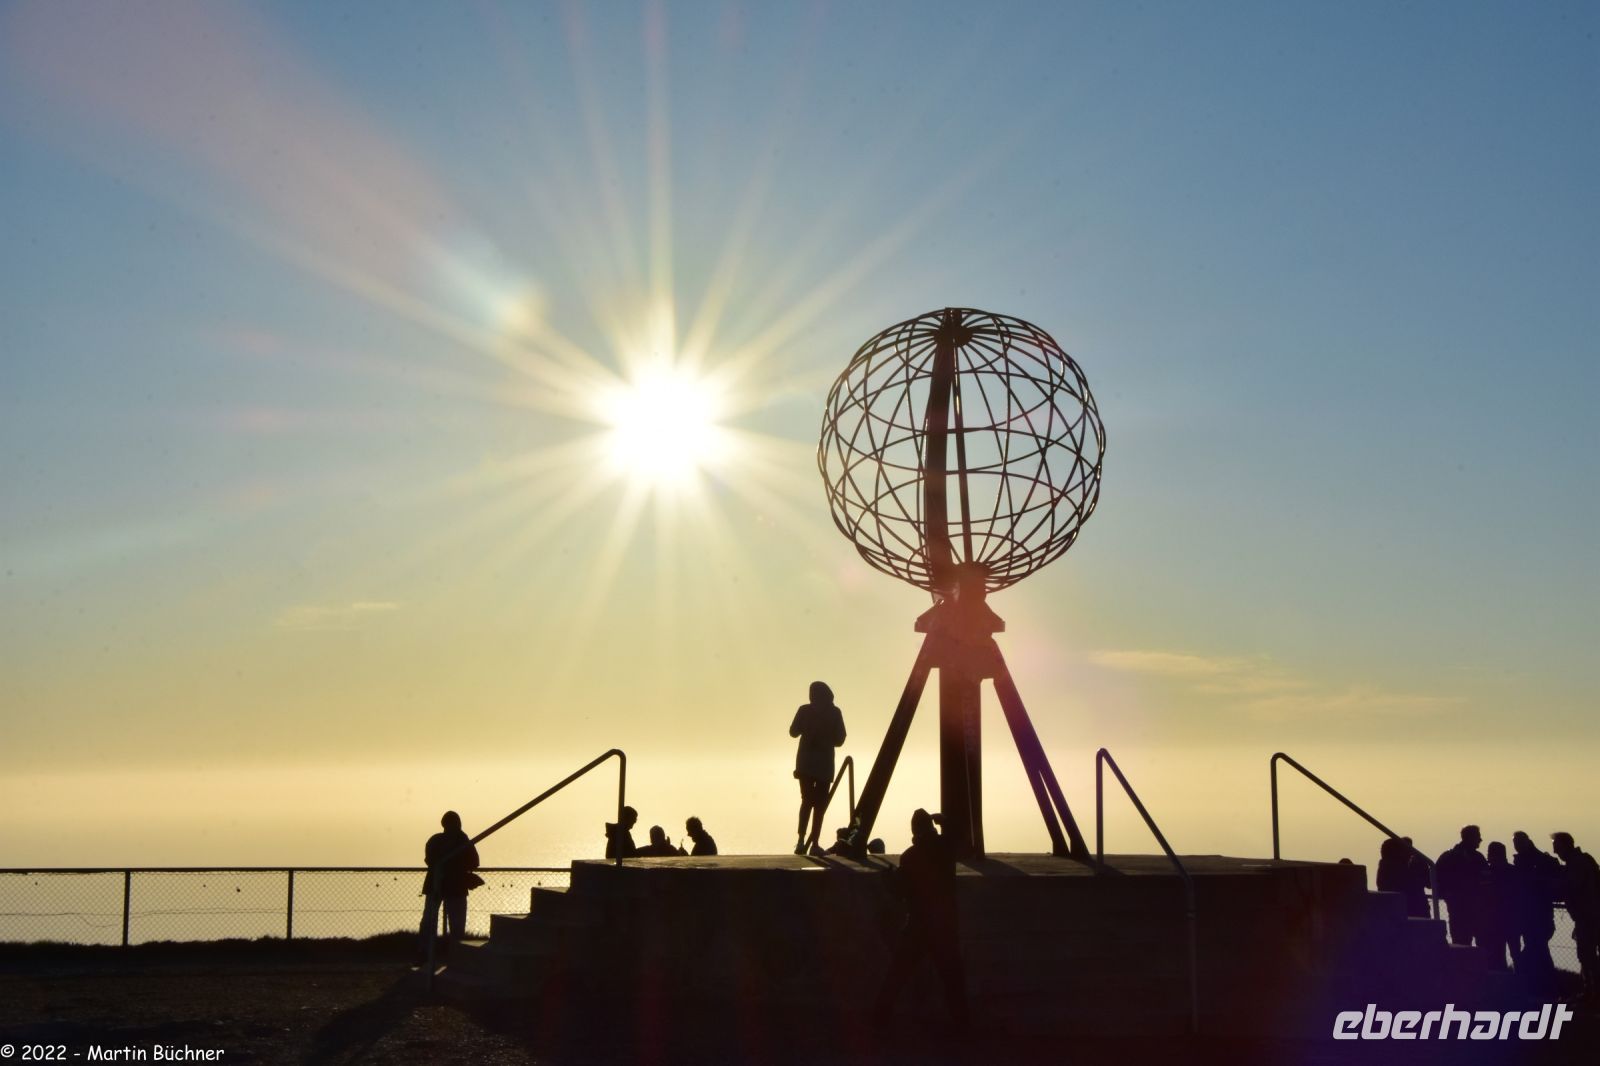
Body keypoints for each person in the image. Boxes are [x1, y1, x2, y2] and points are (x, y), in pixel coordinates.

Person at [873, 809, 967, 1032]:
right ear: (931, 828)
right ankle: (962, 1026)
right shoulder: (946, 847)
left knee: (897, 975)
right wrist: (944, 820)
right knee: (953, 981)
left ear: (915, 831)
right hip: (944, 925)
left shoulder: (910, 856)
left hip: (919, 926)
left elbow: (900, 892)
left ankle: (879, 1021)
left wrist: (888, 879)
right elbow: (959, 832)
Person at [790, 680, 846, 855]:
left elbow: (793, 732)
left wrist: (808, 729)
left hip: (805, 764)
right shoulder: (835, 712)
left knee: (806, 801)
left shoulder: (804, 710)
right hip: (824, 765)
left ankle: (800, 841)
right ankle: (814, 843)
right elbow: (840, 739)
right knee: (819, 806)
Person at [419, 810, 480, 957]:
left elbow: (429, 860)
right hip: (451, 885)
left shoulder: (437, 840)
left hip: (440, 884)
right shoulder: (462, 841)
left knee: (431, 921)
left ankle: (428, 953)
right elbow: (474, 862)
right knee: (453, 923)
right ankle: (454, 954)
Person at [1551, 831, 1600, 997]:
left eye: (1557, 846)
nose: (1555, 851)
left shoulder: (1577, 865)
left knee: (1587, 955)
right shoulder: (1581, 861)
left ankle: (1591, 991)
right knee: (1588, 954)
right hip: (1589, 916)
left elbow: (1571, 889)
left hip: (1588, 917)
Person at [1511, 831, 1560, 990]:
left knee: (1536, 950)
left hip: (1538, 916)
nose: (1516, 846)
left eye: (1519, 842)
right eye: (1515, 842)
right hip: (1529, 916)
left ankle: (1544, 985)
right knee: (1538, 951)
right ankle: (1543, 985)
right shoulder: (1527, 861)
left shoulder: (1538, 861)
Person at [1435, 825, 1487, 946]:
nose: (1480, 840)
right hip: (1468, 909)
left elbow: (1435, 879)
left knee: (1461, 942)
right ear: (1470, 838)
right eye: (1478, 837)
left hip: (1467, 909)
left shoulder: (1449, 856)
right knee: (1468, 942)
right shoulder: (1475, 858)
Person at [1479, 842, 1517, 971]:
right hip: (1501, 920)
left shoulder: (1488, 873)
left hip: (1503, 920)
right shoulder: (1512, 871)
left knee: (1508, 953)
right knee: (1502, 954)